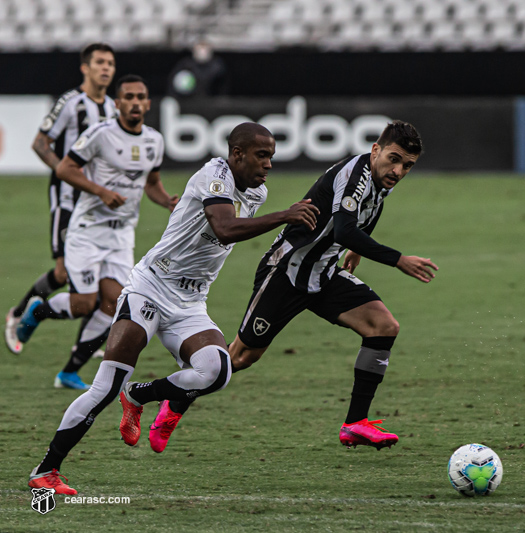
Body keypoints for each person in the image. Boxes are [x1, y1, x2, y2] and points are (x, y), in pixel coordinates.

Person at [27, 121, 319, 495]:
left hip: (190, 301)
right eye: (261, 155)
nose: (268, 164)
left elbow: (227, 228)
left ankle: (138, 395)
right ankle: (45, 470)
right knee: (103, 387)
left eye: (272, 157)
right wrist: (285, 215)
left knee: (217, 370)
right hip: (150, 288)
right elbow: (225, 228)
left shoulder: (257, 192)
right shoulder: (214, 175)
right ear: (237, 154)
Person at [226, 121, 438, 451]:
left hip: (323, 274)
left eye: (407, 165)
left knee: (383, 326)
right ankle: (168, 398)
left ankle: (355, 424)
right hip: (288, 270)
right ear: (376, 150)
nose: (398, 170)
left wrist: (356, 249)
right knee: (240, 358)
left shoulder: (382, 178)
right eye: (393, 159)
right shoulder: (355, 175)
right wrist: (398, 259)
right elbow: (343, 230)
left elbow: (370, 209)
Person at [16, 75, 179, 392]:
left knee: (114, 305)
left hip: (121, 236)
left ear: (147, 103)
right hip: (88, 230)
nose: (134, 102)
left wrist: (167, 202)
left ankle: (69, 372)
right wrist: (100, 191)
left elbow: (151, 184)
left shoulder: (154, 141)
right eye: (128, 97)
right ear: (117, 104)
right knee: (83, 304)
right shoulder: (99, 134)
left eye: (140, 97)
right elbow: (65, 168)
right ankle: (38, 310)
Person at [5, 43, 117, 387]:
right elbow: (40, 143)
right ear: (85, 68)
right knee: (64, 270)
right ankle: (18, 314)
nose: (105, 69)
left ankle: (80, 352)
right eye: (99, 62)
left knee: (104, 284)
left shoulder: (112, 107)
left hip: (97, 204)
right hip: (69, 198)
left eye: (110, 63)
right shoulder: (70, 103)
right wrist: (67, 173)